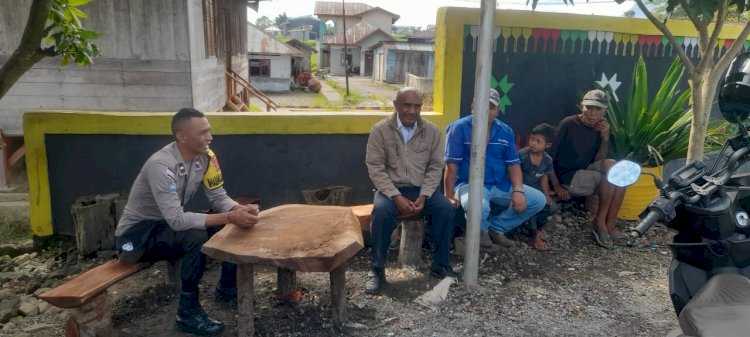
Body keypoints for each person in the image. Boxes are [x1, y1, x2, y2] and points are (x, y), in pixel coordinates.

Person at [115, 108, 259, 336]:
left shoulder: (207, 157)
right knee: (195, 235)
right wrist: (230, 216)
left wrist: (237, 210)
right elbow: (178, 220)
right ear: (181, 136)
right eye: (203, 133)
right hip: (134, 238)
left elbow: (218, 196)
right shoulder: (161, 166)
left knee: (231, 226)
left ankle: (227, 288)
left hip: (166, 228)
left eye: (209, 131)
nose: (210, 137)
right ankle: (187, 313)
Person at [365, 87, 458, 295]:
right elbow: (375, 168)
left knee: (446, 209)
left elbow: (435, 167)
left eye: (417, 106)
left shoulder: (432, 131)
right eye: (406, 105)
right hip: (391, 190)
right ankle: (377, 269)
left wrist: (425, 195)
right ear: (396, 105)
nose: (412, 111)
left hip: (421, 189)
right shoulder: (380, 130)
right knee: (380, 213)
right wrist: (396, 196)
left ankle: (440, 265)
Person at [443, 89, 546, 252]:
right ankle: (482, 236)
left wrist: (518, 190)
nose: (485, 111)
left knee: (538, 199)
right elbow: (451, 165)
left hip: (500, 185)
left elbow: (513, 164)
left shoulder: (505, 130)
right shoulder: (458, 128)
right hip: (469, 184)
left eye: (491, 107)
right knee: (479, 206)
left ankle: (496, 228)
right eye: (481, 105)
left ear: (497, 111)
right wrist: (448, 195)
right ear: (472, 107)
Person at [551, 89, 627, 248]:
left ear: (604, 111)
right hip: (569, 176)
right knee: (609, 177)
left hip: (588, 171)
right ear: (581, 107)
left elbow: (599, 161)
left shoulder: (602, 128)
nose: (593, 113)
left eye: (598, 109)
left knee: (617, 172)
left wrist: (605, 138)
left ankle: (610, 224)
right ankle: (600, 221)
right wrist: (556, 185)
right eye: (589, 107)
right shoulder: (568, 123)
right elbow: (550, 156)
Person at [518, 123, 558, 250]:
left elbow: (544, 177)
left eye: (538, 141)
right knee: (533, 208)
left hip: (536, 190)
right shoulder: (522, 155)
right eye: (531, 139)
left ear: (548, 145)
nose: (533, 143)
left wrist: (546, 194)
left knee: (551, 208)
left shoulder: (547, 160)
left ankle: (535, 228)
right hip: (521, 190)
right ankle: (534, 237)